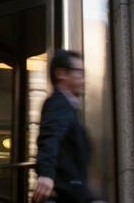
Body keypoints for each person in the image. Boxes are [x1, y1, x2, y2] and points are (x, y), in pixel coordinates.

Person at [32, 50, 105, 203]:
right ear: (61, 74)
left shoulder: (70, 110)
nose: (84, 79)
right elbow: (50, 137)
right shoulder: (58, 103)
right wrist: (46, 173)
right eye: (80, 72)